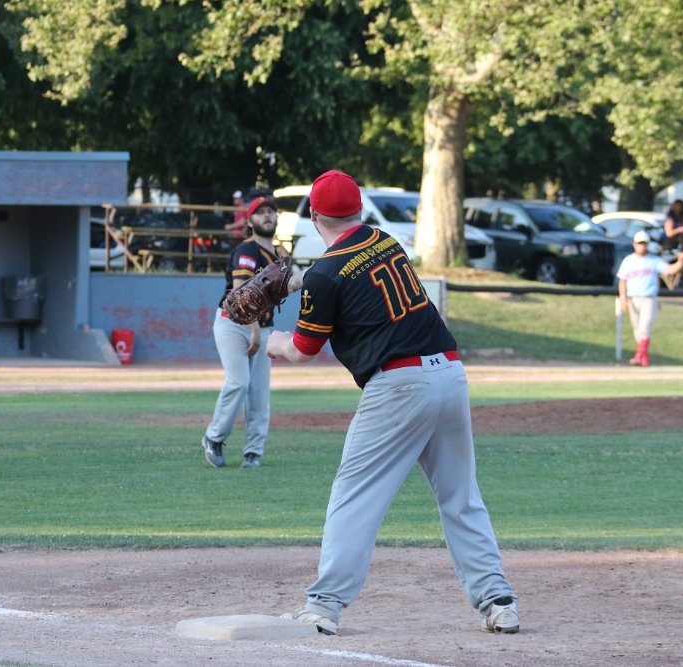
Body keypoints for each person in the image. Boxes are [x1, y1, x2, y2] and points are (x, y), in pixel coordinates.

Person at [266, 169, 519, 636]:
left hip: (399, 386)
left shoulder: (324, 275)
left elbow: (303, 350)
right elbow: (348, 270)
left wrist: (275, 342)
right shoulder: (385, 241)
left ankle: (323, 606)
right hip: (449, 372)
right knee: (461, 496)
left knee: (356, 494)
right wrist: (300, 282)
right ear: (360, 210)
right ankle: (499, 601)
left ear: (314, 215)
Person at [202, 196, 289, 470]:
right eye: (260, 212)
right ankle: (214, 437)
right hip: (234, 323)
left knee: (259, 393)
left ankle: (253, 452)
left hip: (263, 327)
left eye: (271, 211)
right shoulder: (247, 250)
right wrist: (254, 331)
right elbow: (242, 292)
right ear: (250, 221)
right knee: (239, 382)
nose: (267, 216)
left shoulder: (279, 254)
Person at [617, 231, 683, 366]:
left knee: (645, 327)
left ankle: (639, 355)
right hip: (633, 298)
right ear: (634, 244)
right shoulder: (628, 261)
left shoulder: (653, 260)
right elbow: (622, 279)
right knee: (637, 329)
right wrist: (623, 297)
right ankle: (644, 356)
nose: (642, 246)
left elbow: (671, 270)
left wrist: (681, 262)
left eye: (644, 243)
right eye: (639, 243)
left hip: (649, 299)